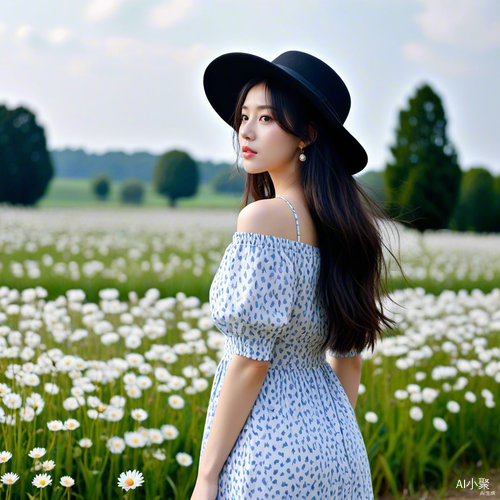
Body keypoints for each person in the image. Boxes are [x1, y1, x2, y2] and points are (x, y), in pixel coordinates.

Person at [191, 50, 403, 500]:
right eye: (244, 116)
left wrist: (207, 477)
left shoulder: (265, 218)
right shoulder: (346, 229)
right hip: (338, 446)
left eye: (266, 118)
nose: (245, 131)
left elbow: (250, 360)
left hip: (270, 448)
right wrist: (327, 434)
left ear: (306, 134)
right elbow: (350, 356)